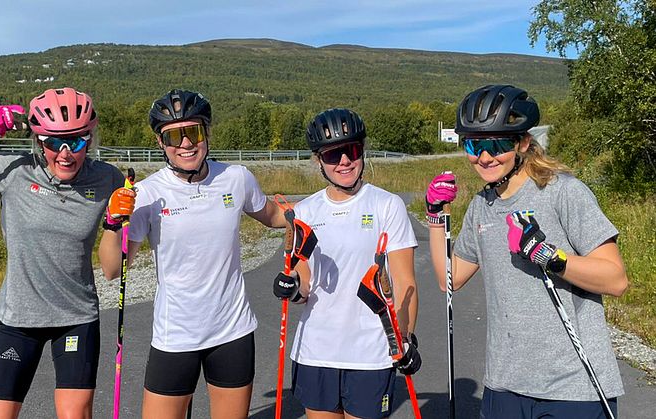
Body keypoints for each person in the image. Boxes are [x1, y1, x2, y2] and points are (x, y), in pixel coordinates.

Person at [0, 87, 135, 419]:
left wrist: (114, 224)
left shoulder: (107, 179)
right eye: (52, 143)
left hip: (75, 319)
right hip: (19, 318)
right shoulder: (15, 170)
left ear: (89, 139)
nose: (65, 154)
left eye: (75, 141)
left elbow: (111, 270)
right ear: (38, 141)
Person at [425, 85, 628, 418]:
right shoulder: (482, 206)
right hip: (505, 386)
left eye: (498, 144)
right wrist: (435, 216)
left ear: (522, 143)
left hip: (574, 388)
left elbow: (616, 279)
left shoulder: (562, 192)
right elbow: (450, 279)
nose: (485, 157)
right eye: (474, 145)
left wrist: (546, 255)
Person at [126, 89, 287, 419]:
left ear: (207, 133)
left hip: (232, 331)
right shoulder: (147, 193)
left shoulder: (235, 178)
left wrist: (329, 206)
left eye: (194, 132)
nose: (185, 143)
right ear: (161, 142)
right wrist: (115, 223)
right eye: (174, 136)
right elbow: (116, 266)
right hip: (176, 334)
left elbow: (273, 216)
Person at [273, 108, 421, 418]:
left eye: (351, 150)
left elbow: (405, 282)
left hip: (370, 352)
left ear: (362, 150)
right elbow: (304, 284)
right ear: (319, 161)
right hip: (316, 351)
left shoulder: (387, 205)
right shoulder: (306, 210)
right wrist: (291, 287)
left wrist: (403, 339)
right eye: (333, 154)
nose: (344, 161)